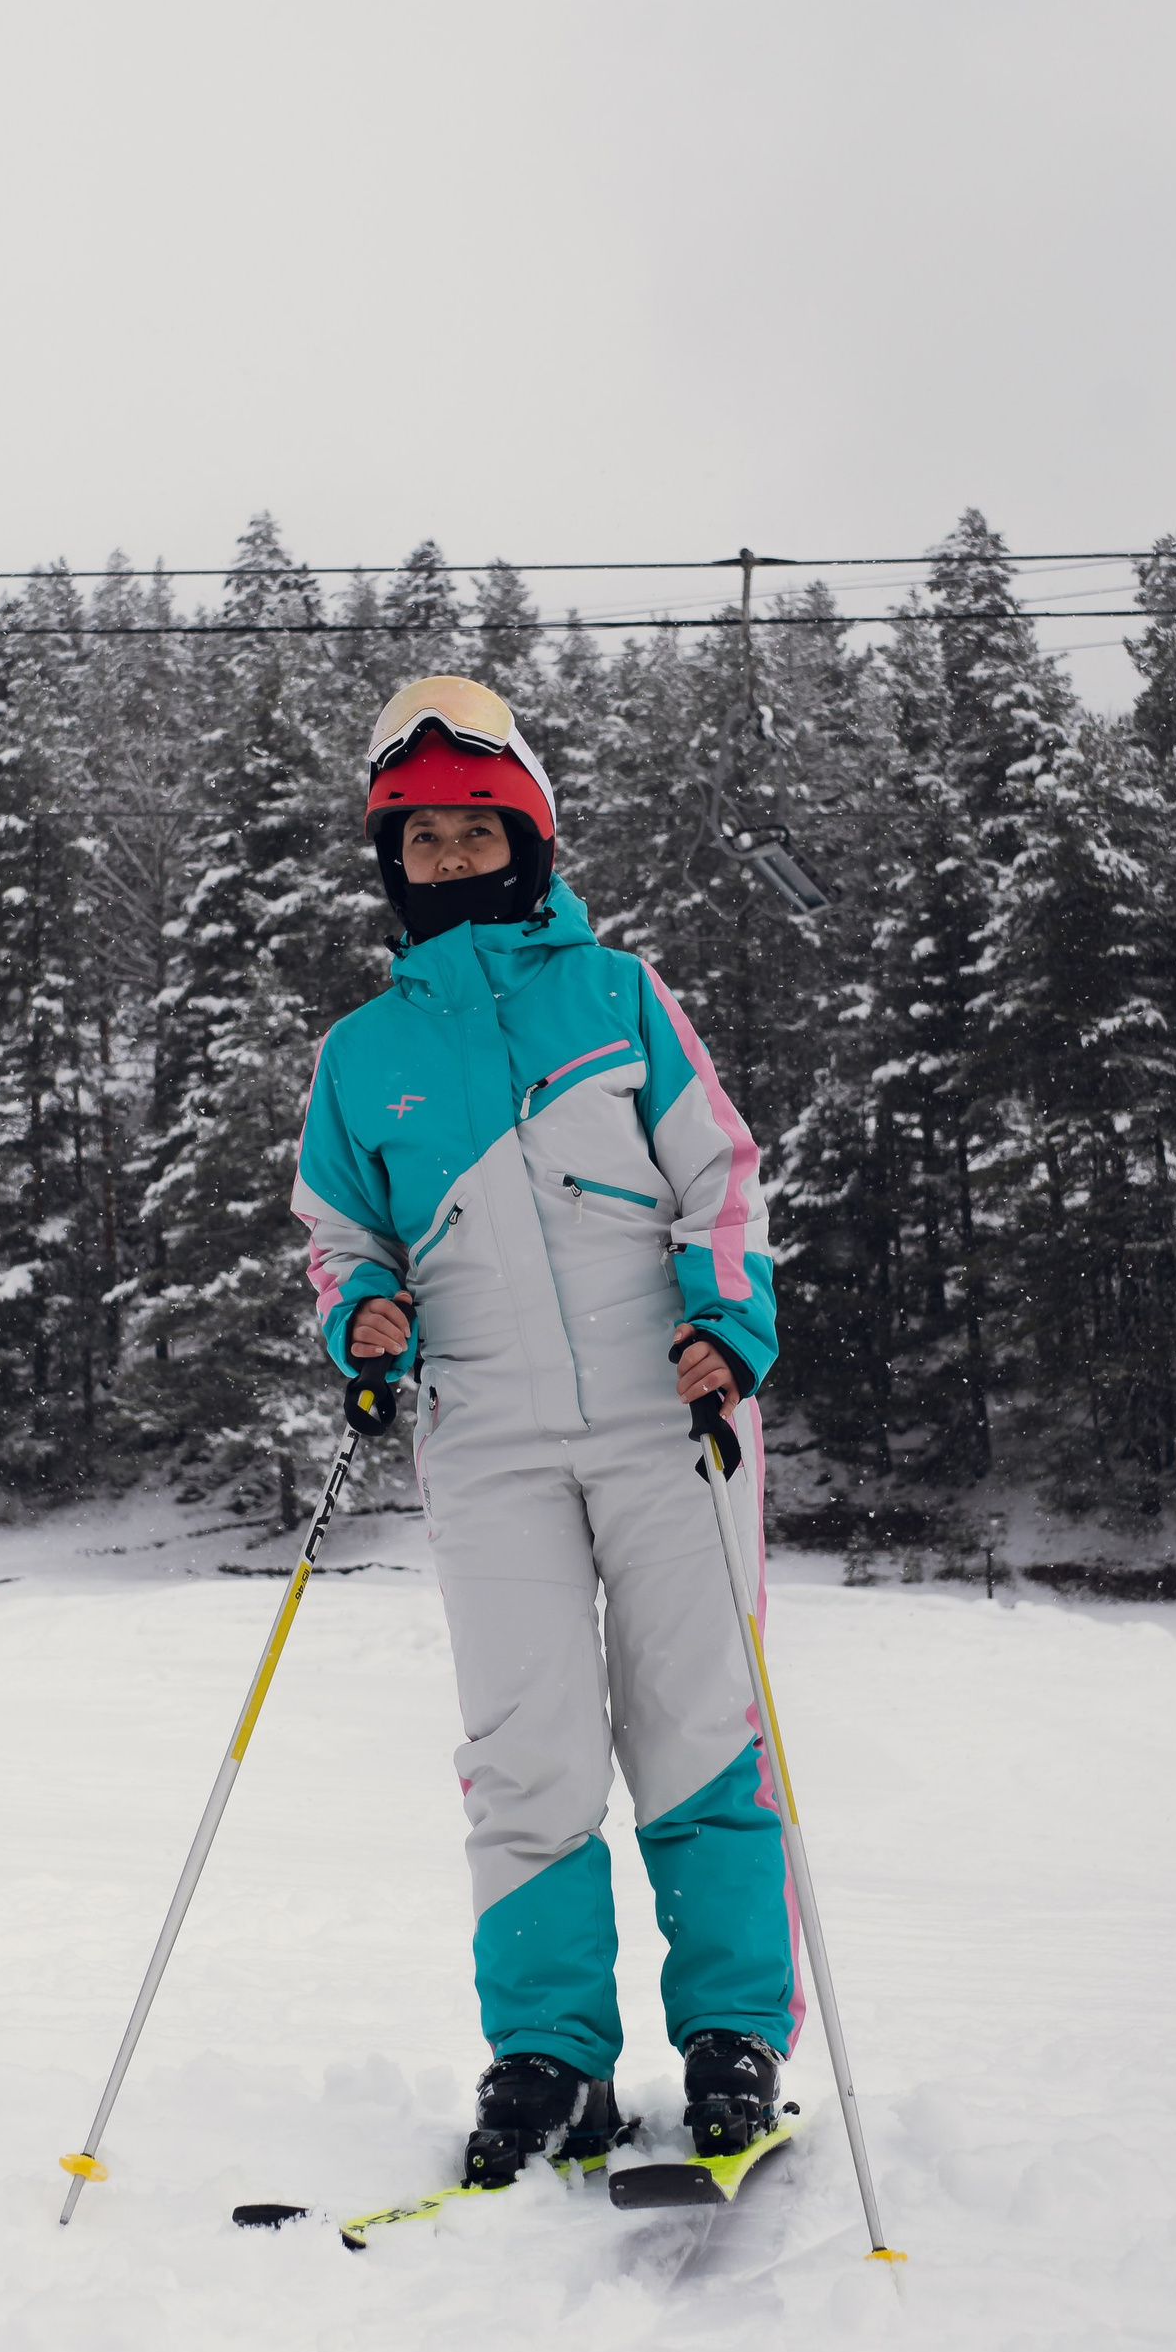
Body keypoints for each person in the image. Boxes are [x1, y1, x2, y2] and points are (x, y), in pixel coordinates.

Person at [293, 674, 798, 2187]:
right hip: (490, 1435)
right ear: (392, 865)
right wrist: (363, 1315)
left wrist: (725, 1322)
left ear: (527, 834)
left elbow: (721, 1177)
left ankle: (729, 2039)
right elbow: (340, 1234)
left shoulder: (620, 998)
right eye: (420, 842)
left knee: (697, 1727)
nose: (448, 859)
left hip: (668, 1415)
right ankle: (553, 2059)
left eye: (473, 831)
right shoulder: (359, 1055)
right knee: (526, 1752)